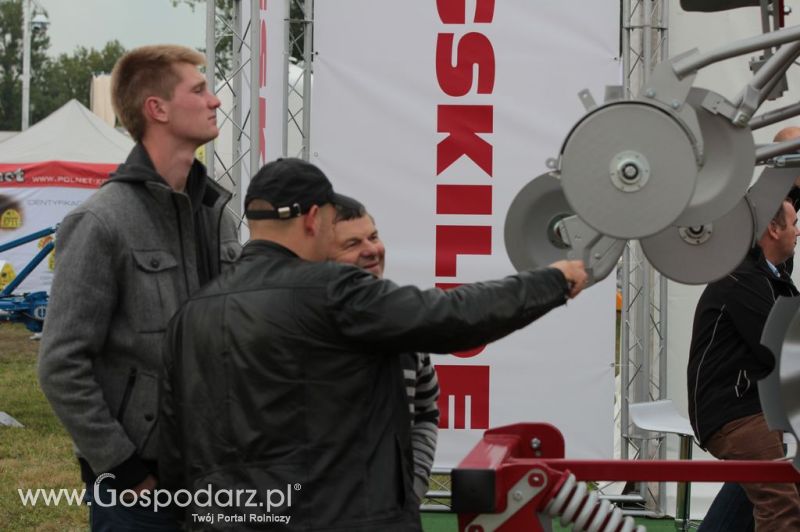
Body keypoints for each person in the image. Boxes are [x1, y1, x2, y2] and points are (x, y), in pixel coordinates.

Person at [159, 157, 588, 531]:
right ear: (313, 219)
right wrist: (553, 280)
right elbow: (452, 316)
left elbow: (174, 447)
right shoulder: (331, 290)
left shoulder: (189, 314)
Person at [38, 45, 241, 531]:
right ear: (158, 108)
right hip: (138, 490)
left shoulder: (218, 216)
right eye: (199, 90)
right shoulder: (100, 221)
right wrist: (122, 467)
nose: (215, 101)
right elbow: (60, 363)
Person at [687, 197, 800, 531]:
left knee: (766, 491)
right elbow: (781, 349)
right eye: (793, 224)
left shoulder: (767, 276)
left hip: (753, 408)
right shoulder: (743, 279)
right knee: (781, 506)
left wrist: (791, 177)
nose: (799, 231)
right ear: (772, 229)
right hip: (738, 412)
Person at [329, 198, 440, 503]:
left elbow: (426, 410)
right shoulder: (297, 327)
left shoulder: (406, 322)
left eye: (373, 237)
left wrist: (413, 487)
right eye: (353, 243)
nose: (371, 250)